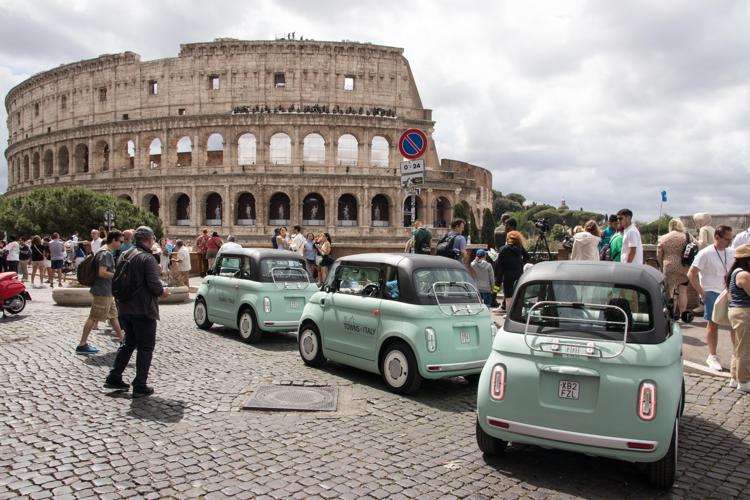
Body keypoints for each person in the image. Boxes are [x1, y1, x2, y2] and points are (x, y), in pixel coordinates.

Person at [105, 226, 169, 398]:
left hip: (125, 306)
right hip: (143, 308)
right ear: (148, 240)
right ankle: (140, 384)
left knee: (128, 343)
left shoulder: (125, 254)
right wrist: (163, 291)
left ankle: (114, 376)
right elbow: (155, 286)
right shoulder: (147, 258)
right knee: (146, 347)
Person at [688, 225, 736, 372]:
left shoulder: (731, 251)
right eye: (727, 239)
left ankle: (737, 355)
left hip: (728, 292)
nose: (729, 241)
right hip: (712, 292)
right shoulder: (705, 253)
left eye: (731, 238)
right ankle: (712, 355)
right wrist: (703, 293)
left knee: (735, 325)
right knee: (713, 324)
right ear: (717, 237)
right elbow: (691, 274)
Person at [76, 230, 124, 355]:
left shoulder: (102, 250)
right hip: (103, 290)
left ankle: (122, 340)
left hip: (106, 290)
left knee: (113, 316)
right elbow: (102, 272)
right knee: (93, 317)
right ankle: (82, 344)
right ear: (113, 240)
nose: (121, 244)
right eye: (120, 241)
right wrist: (117, 276)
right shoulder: (106, 253)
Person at [657, 219, 697, 320]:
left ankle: (671, 315)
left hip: (669, 266)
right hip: (684, 266)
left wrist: (661, 265)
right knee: (683, 291)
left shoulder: (664, 238)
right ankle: (683, 314)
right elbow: (697, 246)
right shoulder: (687, 236)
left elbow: (659, 254)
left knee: (670, 291)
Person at [727, 244, 750, 392]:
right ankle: (744, 381)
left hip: (736, 311)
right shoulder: (744, 275)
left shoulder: (735, 272)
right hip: (744, 313)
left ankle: (734, 378)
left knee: (738, 348)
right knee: (745, 349)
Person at [496, 231, 529, 311]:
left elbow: (499, 264)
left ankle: (508, 313)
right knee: (517, 293)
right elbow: (527, 256)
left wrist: (497, 282)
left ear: (508, 239)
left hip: (507, 275)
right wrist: (520, 263)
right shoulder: (520, 248)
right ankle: (517, 312)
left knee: (508, 295)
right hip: (519, 274)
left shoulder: (503, 249)